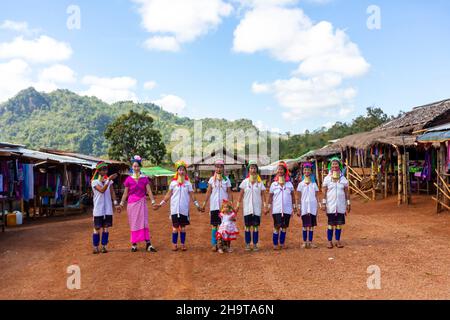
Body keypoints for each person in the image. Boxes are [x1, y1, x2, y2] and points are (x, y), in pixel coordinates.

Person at [154, 160, 201, 251]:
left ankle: (183, 244)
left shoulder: (188, 184)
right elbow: (168, 195)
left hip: (184, 210)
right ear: (177, 171)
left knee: (183, 228)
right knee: (175, 229)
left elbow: (192, 195)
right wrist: (160, 204)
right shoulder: (173, 183)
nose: (181, 171)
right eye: (179, 170)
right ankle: (174, 244)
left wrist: (197, 205)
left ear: (185, 172)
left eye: (183, 170)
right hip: (174, 209)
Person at [119, 155, 157, 253]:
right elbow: (125, 193)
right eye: (134, 166)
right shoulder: (128, 179)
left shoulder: (144, 178)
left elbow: (149, 191)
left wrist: (153, 202)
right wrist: (121, 204)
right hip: (132, 204)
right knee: (134, 223)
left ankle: (148, 243)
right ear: (132, 167)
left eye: (137, 166)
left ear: (140, 167)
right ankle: (134, 244)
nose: (136, 168)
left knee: (144, 222)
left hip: (142, 203)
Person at [201, 159, 234, 252]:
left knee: (224, 226)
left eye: (220, 167)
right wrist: (204, 204)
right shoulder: (212, 179)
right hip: (214, 206)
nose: (218, 169)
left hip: (224, 208)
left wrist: (231, 205)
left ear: (223, 168)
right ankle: (214, 244)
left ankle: (224, 245)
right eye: (217, 167)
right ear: (214, 168)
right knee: (214, 226)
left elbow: (229, 192)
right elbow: (208, 192)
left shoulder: (226, 179)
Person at [236, 160, 266, 251]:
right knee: (247, 226)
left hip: (257, 208)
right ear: (249, 170)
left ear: (257, 170)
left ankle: (255, 244)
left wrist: (265, 206)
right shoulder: (245, 182)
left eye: (254, 168)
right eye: (251, 168)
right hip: (247, 209)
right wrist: (237, 206)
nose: (253, 170)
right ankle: (248, 244)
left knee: (256, 226)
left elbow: (263, 195)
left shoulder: (260, 183)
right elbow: (240, 195)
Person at [266, 161, 297, 250]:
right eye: (279, 169)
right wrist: (267, 207)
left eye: (282, 169)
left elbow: (293, 196)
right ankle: (275, 244)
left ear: (285, 171)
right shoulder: (273, 184)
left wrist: (294, 207)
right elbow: (270, 197)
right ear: (277, 171)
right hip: (276, 209)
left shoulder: (289, 184)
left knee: (284, 227)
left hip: (287, 209)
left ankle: (282, 243)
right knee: (276, 226)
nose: (280, 171)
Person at [322, 157, 351, 249]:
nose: (335, 165)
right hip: (330, 205)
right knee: (330, 224)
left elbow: (346, 192)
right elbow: (324, 192)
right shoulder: (327, 178)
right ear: (330, 166)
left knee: (339, 224)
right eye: (333, 164)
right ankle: (329, 241)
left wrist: (348, 203)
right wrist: (323, 203)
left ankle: (337, 241)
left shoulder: (343, 179)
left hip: (341, 205)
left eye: (336, 164)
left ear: (339, 166)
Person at [91, 161, 119, 254]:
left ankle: (104, 246)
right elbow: (102, 190)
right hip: (98, 209)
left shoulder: (109, 181)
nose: (105, 171)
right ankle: (95, 247)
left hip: (107, 208)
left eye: (106, 169)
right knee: (97, 228)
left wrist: (115, 203)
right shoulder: (94, 182)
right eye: (103, 169)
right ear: (98, 171)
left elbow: (112, 192)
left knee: (106, 227)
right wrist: (109, 180)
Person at [296, 162, 319, 249]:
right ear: (303, 172)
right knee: (305, 225)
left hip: (312, 207)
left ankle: (311, 242)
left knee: (312, 226)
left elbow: (317, 196)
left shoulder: (314, 184)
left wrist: (319, 205)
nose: (307, 171)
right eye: (305, 170)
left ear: (311, 172)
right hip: (304, 208)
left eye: (308, 170)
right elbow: (298, 197)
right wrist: (298, 208)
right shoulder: (300, 184)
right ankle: (304, 242)